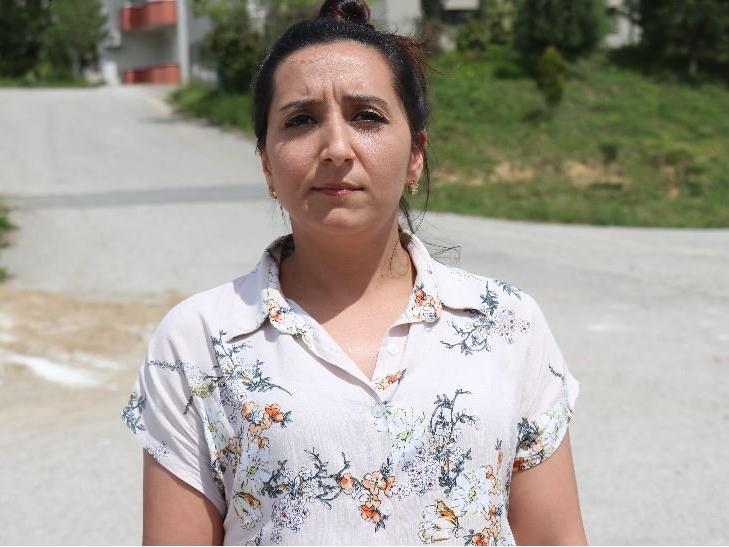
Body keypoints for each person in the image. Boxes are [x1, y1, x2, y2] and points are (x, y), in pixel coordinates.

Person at [120, 0, 587, 544]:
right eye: (301, 120)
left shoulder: (507, 324)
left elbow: (556, 538)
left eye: (366, 116)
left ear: (416, 155)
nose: (336, 148)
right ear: (267, 163)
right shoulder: (198, 341)